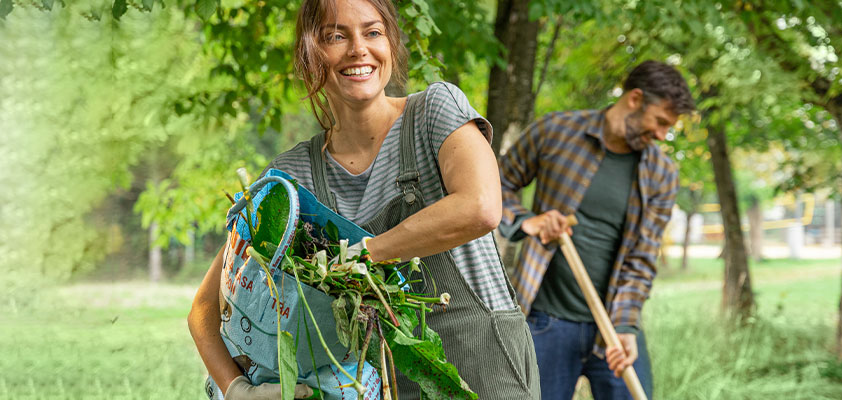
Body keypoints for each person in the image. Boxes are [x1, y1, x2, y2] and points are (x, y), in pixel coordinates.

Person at [187, 0, 539, 398]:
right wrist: (236, 390)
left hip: (484, 372)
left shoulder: (434, 113)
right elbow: (204, 308)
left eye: (372, 32)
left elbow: (480, 207)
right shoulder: (294, 179)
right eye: (336, 36)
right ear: (308, 56)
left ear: (390, 45)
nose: (358, 49)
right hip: (374, 388)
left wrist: (362, 255)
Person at [498, 60, 695, 400]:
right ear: (635, 99)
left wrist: (625, 329)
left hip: (613, 327)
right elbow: (494, 184)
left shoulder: (662, 173)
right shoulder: (557, 131)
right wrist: (527, 221)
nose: (663, 135)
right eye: (660, 122)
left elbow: (643, 258)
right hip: (546, 320)